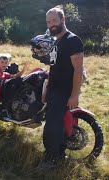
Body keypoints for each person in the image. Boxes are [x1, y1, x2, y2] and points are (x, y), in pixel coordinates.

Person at [42, 5, 84, 164]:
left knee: (53, 126)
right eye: (48, 22)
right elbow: (54, 66)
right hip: (53, 89)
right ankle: (56, 154)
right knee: (53, 125)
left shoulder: (73, 40)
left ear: (63, 19)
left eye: (54, 20)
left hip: (64, 92)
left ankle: (52, 160)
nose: (51, 24)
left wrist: (74, 95)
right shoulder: (56, 41)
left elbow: (78, 70)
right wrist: (47, 87)